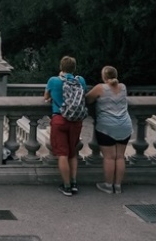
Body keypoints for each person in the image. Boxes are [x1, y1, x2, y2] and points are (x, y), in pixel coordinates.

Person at [43, 56, 87, 196]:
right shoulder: (80, 80)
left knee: (62, 154)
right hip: (76, 121)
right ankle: (74, 183)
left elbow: (46, 97)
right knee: (72, 153)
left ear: (61, 67)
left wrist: (51, 98)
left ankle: (66, 186)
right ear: (74, 68)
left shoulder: (54, 80)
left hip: (60, 119)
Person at [85, 66, 132, 194]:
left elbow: (88, 99)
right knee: (120, 157)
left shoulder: (100, 88)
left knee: (109, 158)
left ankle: (108, 185)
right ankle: (117, 186)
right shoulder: (123, 87)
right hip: (125, 125)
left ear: (104, 77)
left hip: (107, 126)